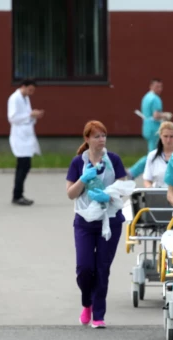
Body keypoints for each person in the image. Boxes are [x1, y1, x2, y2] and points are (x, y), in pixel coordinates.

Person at [65, 121, 128, 328]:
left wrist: (107, 196)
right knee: (84, 267)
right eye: (96, 136)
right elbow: (70, 193)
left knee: (102, 268)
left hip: (110, 221)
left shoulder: (114, 160)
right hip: (84, 221)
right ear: (87, 139)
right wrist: (83, 179)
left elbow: (124, 189)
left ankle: (99, 314)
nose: (101, 140)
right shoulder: (78, 163)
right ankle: (87, 303)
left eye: (104, 135)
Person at [8, 79, 44, 206]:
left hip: (26, 136)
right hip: (19, 136)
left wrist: (34, 115)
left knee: (24, 166)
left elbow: (26, 115)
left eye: (33, 90)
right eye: (30, 90)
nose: (31, 92)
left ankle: (18, 194)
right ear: (23, 86)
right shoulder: (15, 98)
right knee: (23, 166)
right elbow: (12, 118)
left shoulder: (25, 98)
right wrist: (30, 115)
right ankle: (17, 195)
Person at [142, 121, 173, 188]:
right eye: (165, 136)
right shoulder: (152, 155)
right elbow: (147, 179)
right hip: (158, 193)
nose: (168, 140)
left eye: (171, 136)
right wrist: (150, 188)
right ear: (160, 135)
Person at [141, 78, 172, 152]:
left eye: (161, 86)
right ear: (151, 86)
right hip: (154, 127)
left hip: (147, 126)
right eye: (157, 86)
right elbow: (156, 115)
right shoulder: (155, 99)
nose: (160, 89)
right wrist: (166, 115)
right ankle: (136, 164)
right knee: (154, 153)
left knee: (153, 152)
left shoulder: (146, 97)